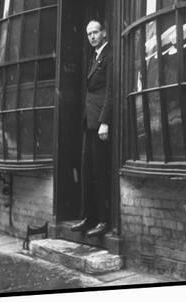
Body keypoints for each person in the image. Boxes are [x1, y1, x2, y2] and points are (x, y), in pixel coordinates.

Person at [71, 19, 112, 237]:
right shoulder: (94, 56)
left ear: (104, 33)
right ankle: (88, 217)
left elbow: (110, 91)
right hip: (90, 121)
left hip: (100, 124)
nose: (92, 37)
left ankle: (104, 220)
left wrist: (105, 121)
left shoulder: (110, 55)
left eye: (95, 32)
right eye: (89, 34)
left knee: (99, 170)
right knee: (87, 169)